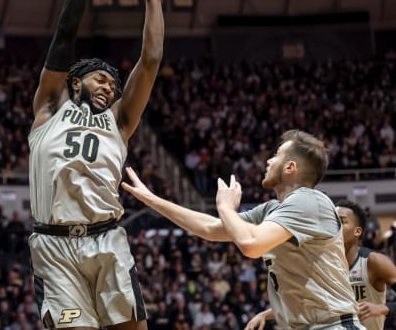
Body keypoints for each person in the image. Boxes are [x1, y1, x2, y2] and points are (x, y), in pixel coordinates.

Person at [28, 0, 165, 330]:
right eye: (100, 78)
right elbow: (64, 36)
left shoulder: (120, 120)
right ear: (75, 81)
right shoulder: (50, 107)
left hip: (107, 239)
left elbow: (153, 57)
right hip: (54, 246)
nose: (109, 86)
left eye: (113, 82)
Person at [122, 129, 366, 329]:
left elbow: (251, 245)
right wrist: (152, 199)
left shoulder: (309, 200)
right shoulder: (272, 209)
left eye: (276, 156)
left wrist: (226, 207)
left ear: (290, 167)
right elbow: (210, 228)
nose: (269, 160)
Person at [244, 200, 396, 330]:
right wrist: (266, 314)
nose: (334, 225)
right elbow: (304, 305)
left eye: (342, 221)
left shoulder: (373, 261)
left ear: (357, 231)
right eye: (332, 220)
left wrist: (383, 309)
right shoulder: (319, 264)